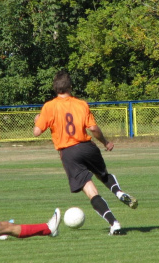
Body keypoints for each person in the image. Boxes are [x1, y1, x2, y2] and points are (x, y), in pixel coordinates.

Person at [33, 70, 138, 236]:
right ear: (70, 87)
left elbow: (37, 131)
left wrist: (37, 120)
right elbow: (93, 128)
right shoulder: (81, 104)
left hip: (69, 153)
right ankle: (118, 192)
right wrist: (105, 142)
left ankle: (114, 223)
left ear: (55, 88)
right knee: (103, 176)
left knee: (91, 192)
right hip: (88, 147)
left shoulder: (49, 106)